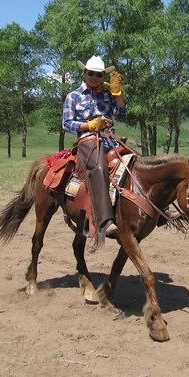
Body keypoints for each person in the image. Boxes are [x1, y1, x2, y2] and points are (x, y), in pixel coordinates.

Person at [63, 55, 126, 242]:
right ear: (84, 73)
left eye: (98, 74)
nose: (94, 77)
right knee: (99, 167)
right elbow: (66, 123)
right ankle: (104, 220)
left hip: (111, 138)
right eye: (91, 73)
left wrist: (118, 94)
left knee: (134, 159)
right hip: (87, 139)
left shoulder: (108, 93)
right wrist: (88, 125)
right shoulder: (73, 96)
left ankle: (157, 207)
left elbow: (121, 113)